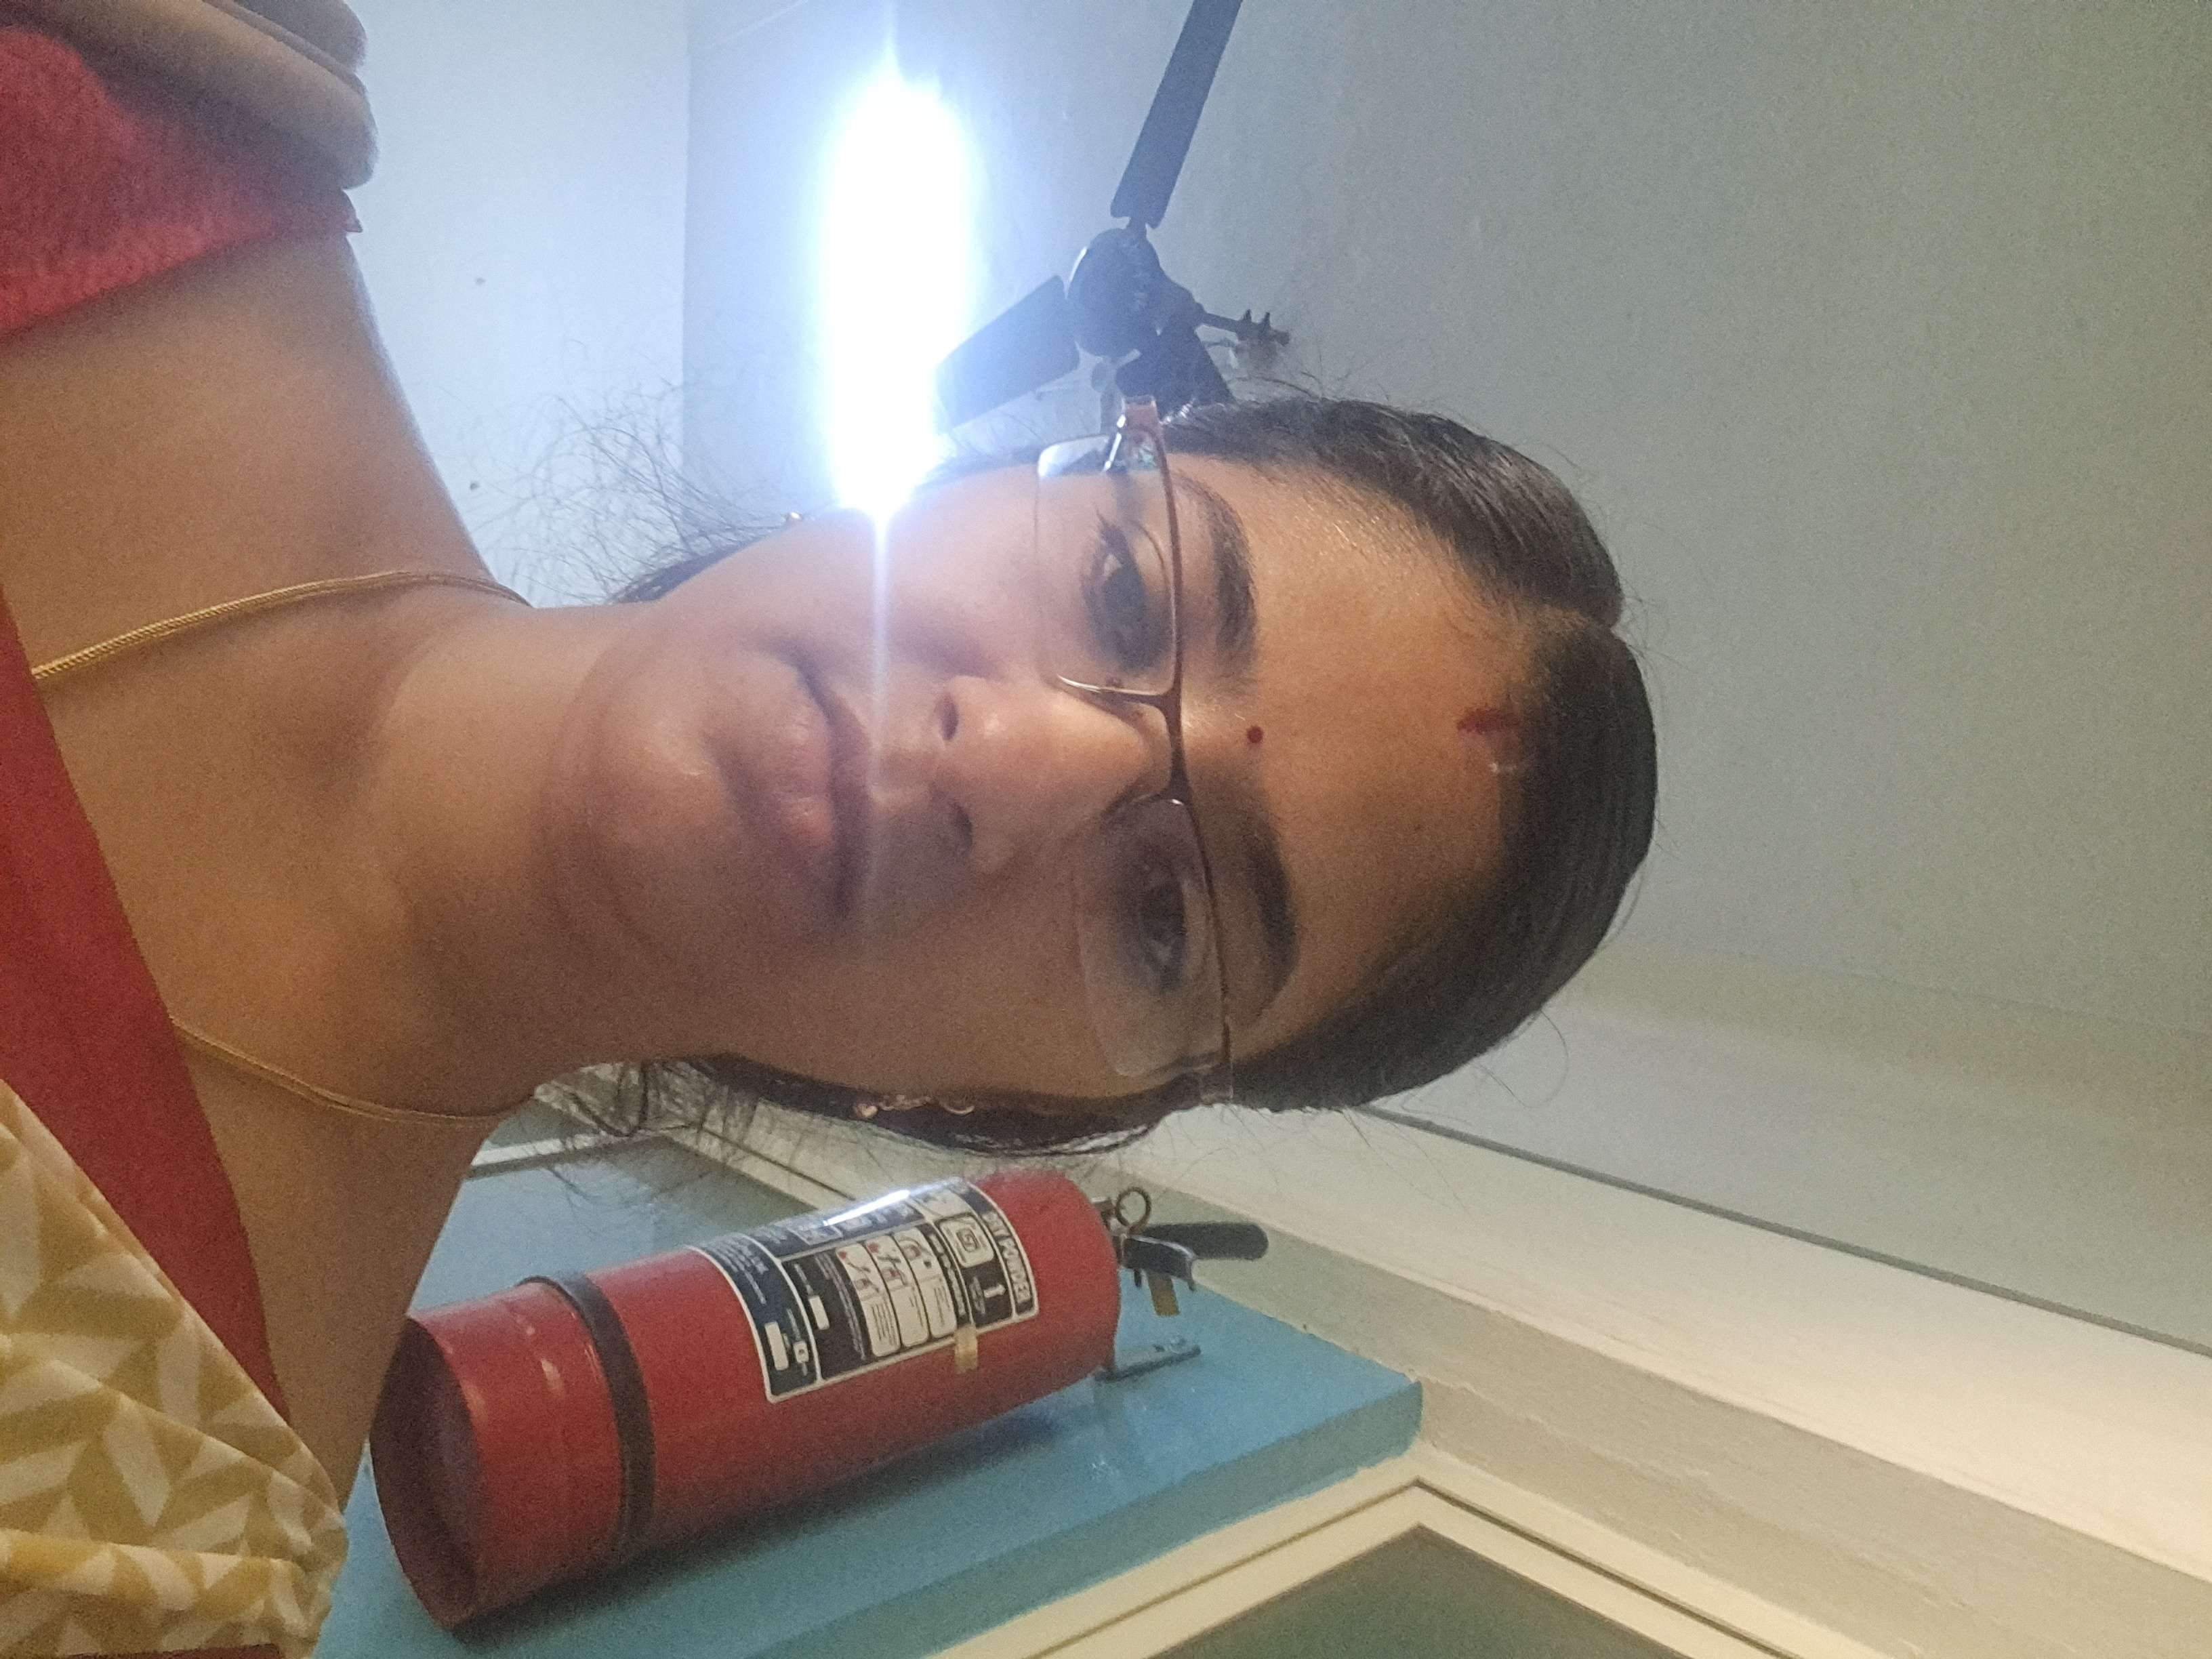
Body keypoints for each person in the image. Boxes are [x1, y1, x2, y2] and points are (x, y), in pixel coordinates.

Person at [0, 3, 1654, 1652]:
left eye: (1167, 919)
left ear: (1017, 1105)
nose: (1011, 765)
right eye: (1124, 589)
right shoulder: (167, 59)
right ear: (985, 471)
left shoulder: (136, 1554)